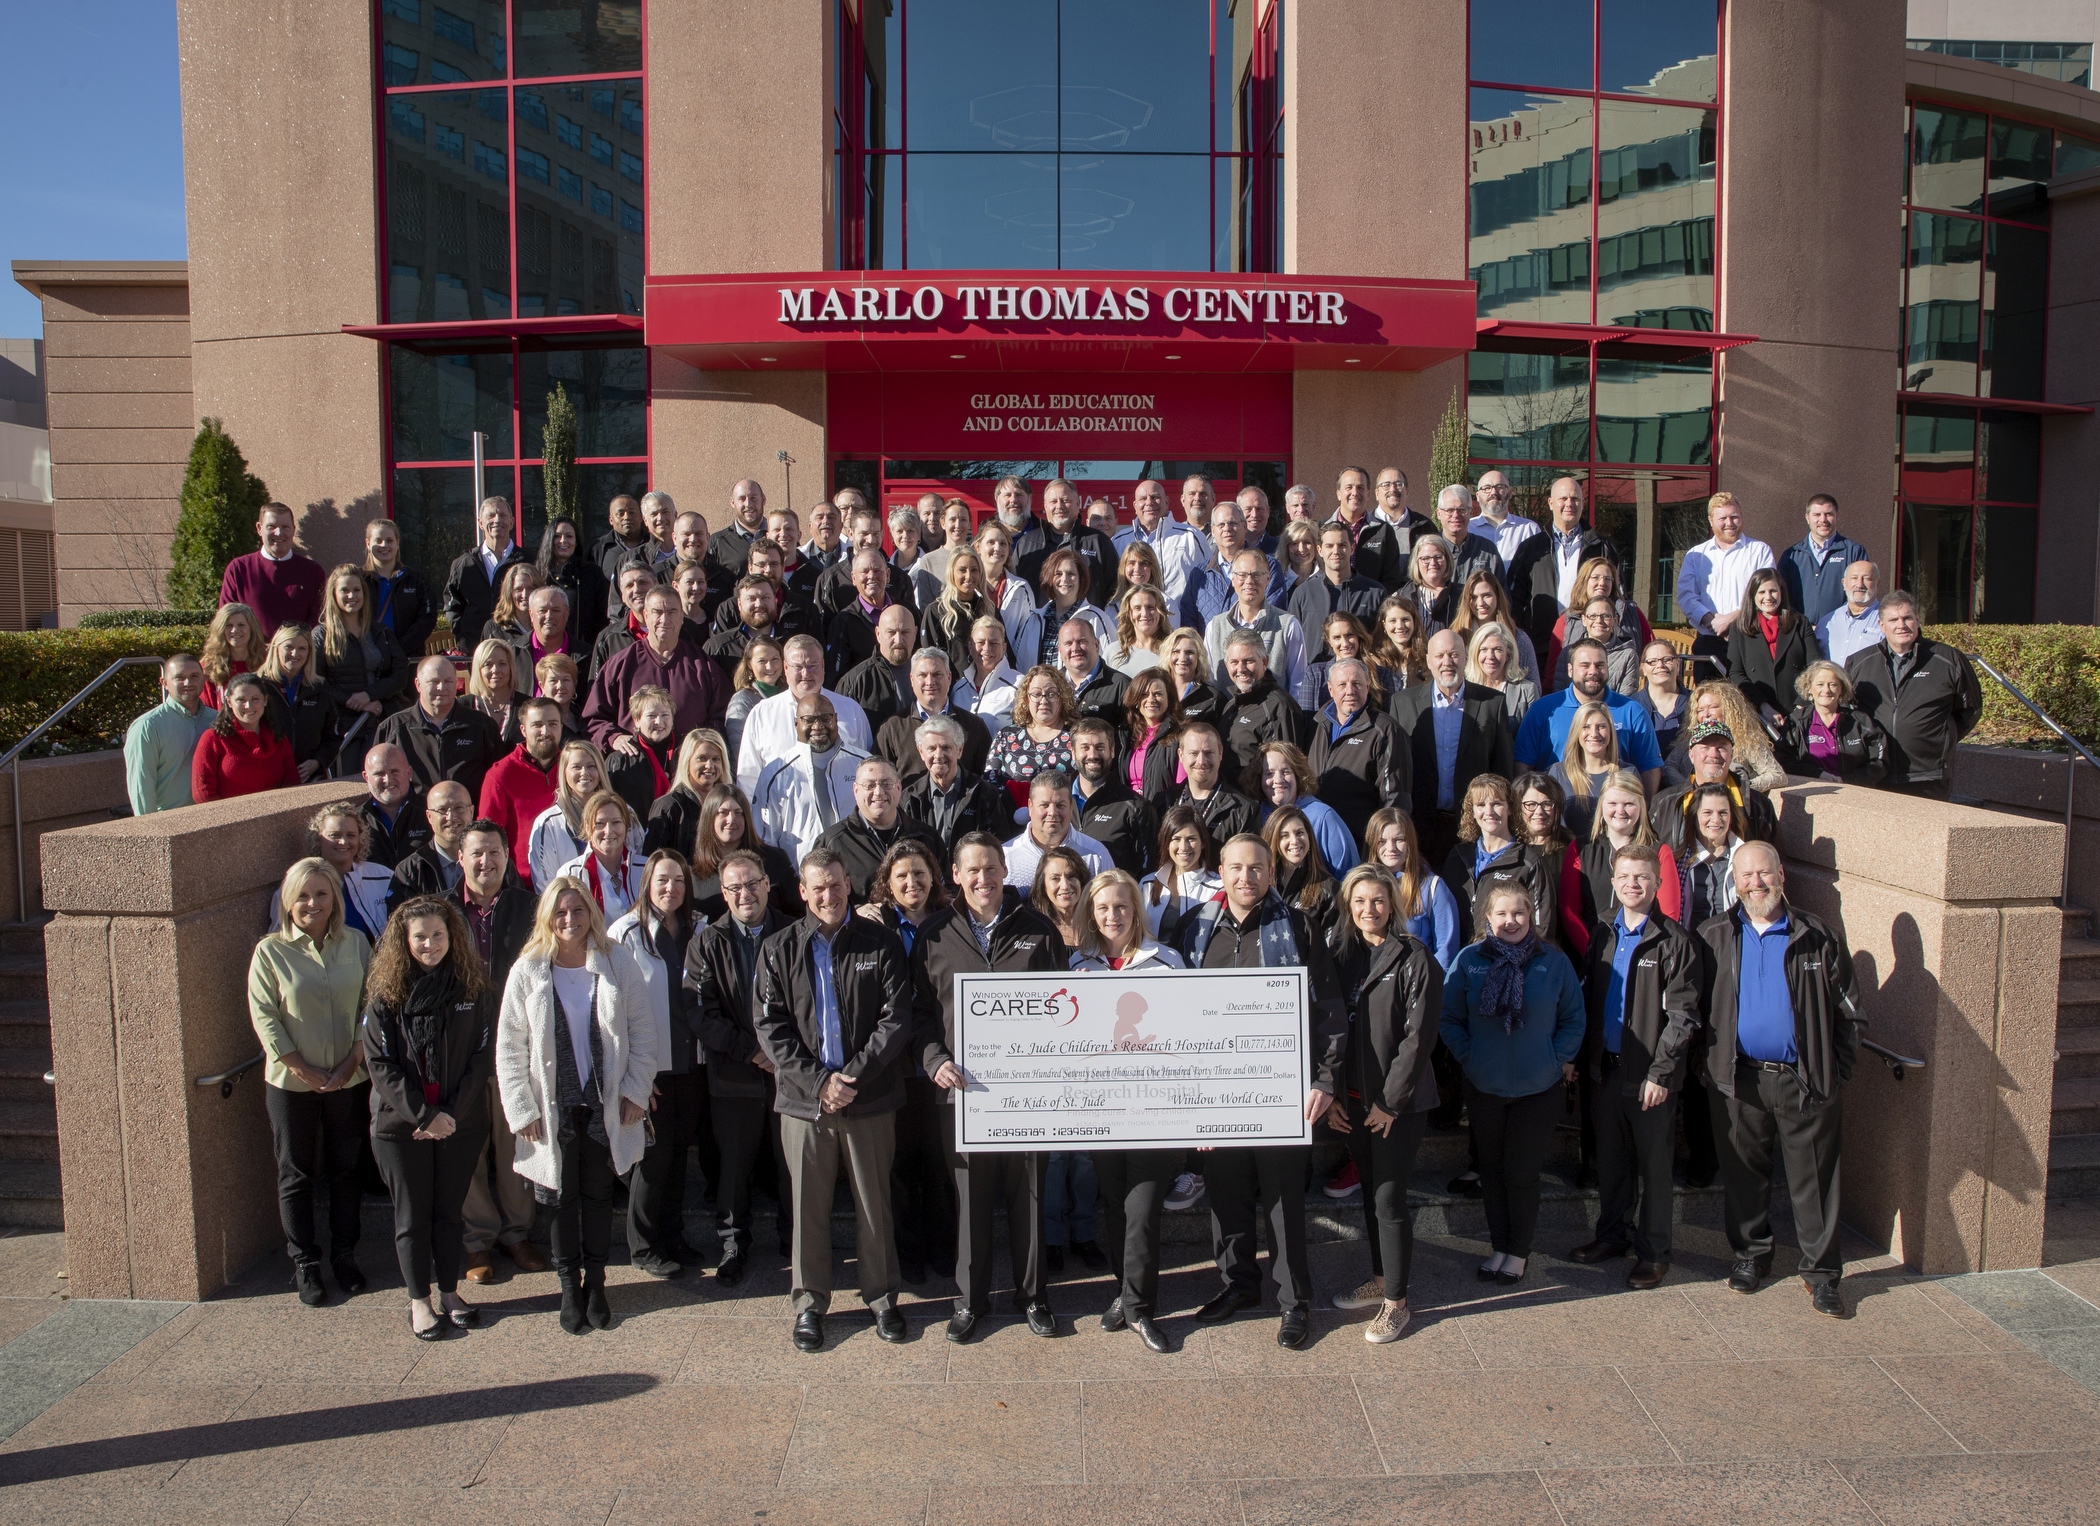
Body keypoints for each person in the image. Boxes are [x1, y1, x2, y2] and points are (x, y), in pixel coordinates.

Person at [1180, 834, 1346, 1349]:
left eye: (1256, 869)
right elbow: (1175, 1018)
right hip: (1216, 1097)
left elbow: (1330, 1009)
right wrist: (1186, 1107)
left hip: (1282, 1097)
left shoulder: (1296, 927)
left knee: (1281, 1203)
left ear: (1271, 874)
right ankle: (1238, 1287)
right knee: (1226, 1200)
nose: (1245, 878)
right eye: (1235, 868)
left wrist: (1326, 1079)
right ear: (1221, 872)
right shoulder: (1194, 930)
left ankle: (1294, 1300)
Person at [909, 832, 1068, 1342]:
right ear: (954, 876)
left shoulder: (1039, 932)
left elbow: (1067, 1009)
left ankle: (1033, 1295)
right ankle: (970, 1300)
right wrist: (934, 1059)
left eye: (992, 869)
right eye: (972, 870)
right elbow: (917, 1015)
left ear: (1006, 872)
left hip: (1027, 1094)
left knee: (1029, 1194)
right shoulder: (933, 935)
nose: (983, 879)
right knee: (970, 1199)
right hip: (962, 1093)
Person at [756, 849, 916, 1351]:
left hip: (868, 1098)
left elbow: (897, 1018)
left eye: (836, 885)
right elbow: (770, 1027)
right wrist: (818, 1082)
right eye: (817, 887)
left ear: (850, 885)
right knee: (808, 1207)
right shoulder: (778, 948)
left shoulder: (880, 941)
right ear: (802, 891)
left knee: (875, 1203)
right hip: (805, 1104)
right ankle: (809, 1303)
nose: (828, 895)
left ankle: (883, 1297)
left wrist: (851, 1077)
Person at [1697, 841, 1863, 1316]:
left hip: (1804, 1082)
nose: (1756, 883)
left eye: (1763, 874)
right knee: (1743, 1175)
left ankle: (1823, 1275)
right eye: (1746, 876)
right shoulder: (1713, 935)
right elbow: (1694, 1009)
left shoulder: (1818, 937)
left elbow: (1849, 1015)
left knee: (1815, 1181)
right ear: (1736, 881)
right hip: (1738, 1081)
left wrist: (1835, 1076)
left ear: (1781, 875)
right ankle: (1752, 1255)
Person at [497, 876, 657, 1333]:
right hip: (552, 1106)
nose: (570, 920)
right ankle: (570, 1286)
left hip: (603, 1102)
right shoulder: (528, 969)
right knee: (560, 1199)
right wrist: (521, 1108)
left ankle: (599, 1283)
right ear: (548, 917)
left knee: (598, 1195)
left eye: (578, 910)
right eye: (561, 912)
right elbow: (510, 1045)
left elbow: (643, 1031)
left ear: (591, 912)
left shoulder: (614, 960)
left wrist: (635, 1092)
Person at [1567, 844, 1702, 1288]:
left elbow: (1683, 1017)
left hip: (1649, 1078)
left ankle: (1654, 1252)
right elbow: (1587, 997)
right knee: (1611, 1163)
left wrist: (1661, 1073)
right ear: (1613, 879)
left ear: (1658, 883)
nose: (1632, 885)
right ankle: (1611, 1236)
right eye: (1624, 877)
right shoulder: (1603, 930)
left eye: (1642, 877)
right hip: (1603, 1070)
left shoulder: (1674, 941)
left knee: (1654, 1169)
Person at [1439, 879, 1585, 1286]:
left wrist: (1554, 1060)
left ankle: (1519, 1252)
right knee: (1492, 1171)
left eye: (1518, 913)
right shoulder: (1469, 960)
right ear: (1487, 917)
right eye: (1501, 913)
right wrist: (1469, 1057)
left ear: (1531, 915)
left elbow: (1574, 1018)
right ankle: (1499, 1247)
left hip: (1537, 1089)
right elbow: (1449, 1018)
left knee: (1521, 1172)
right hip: (1484, 1087)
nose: (1511, 921)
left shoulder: (1552, 962)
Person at [362, 895, 495, 1339]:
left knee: (449, 1214)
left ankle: (450, 1292)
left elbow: (481, 1056)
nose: (430, 944)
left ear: (451, 936)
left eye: (438, 935)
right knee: (412, 1216)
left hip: (458, 1125)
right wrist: (423, 1116)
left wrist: (448, 1116)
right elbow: (380, 1064)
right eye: (420, 937)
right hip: (402, 1129)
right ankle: (419, 1301)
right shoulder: (385, 994)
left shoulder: (470, 986)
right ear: (405, 940)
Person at [1070, 869, 1186, 1353]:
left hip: (1154, 1113)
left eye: (1121, 906)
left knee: (1141, 1210)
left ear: (1136, 910)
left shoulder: (1168, 963)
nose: (1112, 915)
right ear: (1091, 914)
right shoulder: (1078, 966)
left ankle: (1139, 1309)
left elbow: (1190, 1038)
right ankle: (1125, 1291)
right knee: (1116, 1206)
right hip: (1103, 1113)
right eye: (1103, 907)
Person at [250, 857, 372, 1305]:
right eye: (302, 895)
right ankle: (305, 1263)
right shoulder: (271, 951)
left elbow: (370, 1005)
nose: (312, 903)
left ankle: (345, 1255)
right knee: (296, 1172)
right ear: (287, 901)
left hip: (348, 1076)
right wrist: (301, 1067)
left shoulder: (357, 944)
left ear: (334, 898)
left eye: (321, 893)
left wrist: (350, 1062)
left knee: (346, 1169)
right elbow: (265, 1016)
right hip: (290, 1082)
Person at [1328, 864, 1442, 1342]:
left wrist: (1390, 1104)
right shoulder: (1342, 954)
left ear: (1392, 905)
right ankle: (1379, 1282)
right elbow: (1328, 1028)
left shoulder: (1415, 957)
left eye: (1377, 901)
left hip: (1398, 1105)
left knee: (1389, 1200)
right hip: (1352, 1102)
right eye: (1359, 902)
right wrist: (1332, 1093)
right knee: (1371, 1193)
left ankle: (1398, 1303)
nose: (1368, 910)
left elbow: (1418, 1041)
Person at [444, 818, 546, 1285]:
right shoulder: (440, 911)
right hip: (459, 1054)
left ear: (508, 856)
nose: (486, 862)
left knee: (517, 1145)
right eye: (477, 854)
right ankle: (477, 1241)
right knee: (468, 1149)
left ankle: (516, 1233)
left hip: (516, 1051)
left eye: (495, 853)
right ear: (460, 858)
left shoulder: (530, 909)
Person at [687, 848, 795, 1285]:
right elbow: (698, 1012)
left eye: (752, 883)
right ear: (723, 893)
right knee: (733, 1165)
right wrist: (750, 1050)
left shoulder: (794, 931)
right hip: (734, 1074)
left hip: (789, 1073)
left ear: (767, 883)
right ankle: (734, 1244)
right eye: (734, 887)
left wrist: (780, 1052)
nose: (745, 893)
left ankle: (796, 1238)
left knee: (792, 1162)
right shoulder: (707, 941)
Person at [853, 839, 956, 1285]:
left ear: (933, 876)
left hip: (938, 1059)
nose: (911, 882)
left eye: (919, 873)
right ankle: (908, 1252)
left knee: (939, 1164)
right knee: (900, 1166)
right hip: (895, 1066)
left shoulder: (952, 921)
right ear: (887, 884)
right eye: (901, 876)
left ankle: (944, 1249)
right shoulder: (877, 925)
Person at [609, 850, 709, 1279]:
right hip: (650, 1068)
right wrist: (633, 1075)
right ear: (647, 884)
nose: (671, 889)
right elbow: (612, 1012)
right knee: (652, 1158)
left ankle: (673, 1235)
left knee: (677, 1155)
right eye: (662, 881)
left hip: (692, 1062)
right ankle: (644, 1245)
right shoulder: (625, 934)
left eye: (679, 881)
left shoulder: (699, 929)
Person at [1390, 629, 1516, 867]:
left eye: (1454, 655)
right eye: (1440, 656)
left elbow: (1502, 771)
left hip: (1472, 827)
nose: (1447, 662)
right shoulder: (1402, 703)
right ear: (1428, 660)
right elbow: (1395, 769)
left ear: (1466, 658)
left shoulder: (1492, 703)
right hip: (1418, 824)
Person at [1844, 590, 1983, 799]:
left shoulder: (1948, 659)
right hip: (1876, 771)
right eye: (1893, 619)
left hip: (1928, 774)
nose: (1901, 624)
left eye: (1907, 617)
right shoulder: (1859, 662)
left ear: (1917, 620)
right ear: (1882, 626)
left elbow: (1970, 710)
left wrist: (1938, 737)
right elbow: (1849, 711)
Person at [584, 585, 730, 753]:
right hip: (636, 767)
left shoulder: (703, 666)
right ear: (646, 616)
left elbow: (721, 717)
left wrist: (700, 745)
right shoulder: (620, 664)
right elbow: (593, 719)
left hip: (687, 768)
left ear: (682, 616)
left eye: (672, 612)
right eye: (657, 612)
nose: (664, 619)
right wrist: (613, 737)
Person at [1514, 640, 1664, 791]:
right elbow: (1522, 764)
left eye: (1599, 665)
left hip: (1616, 809)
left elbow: (1650, 768)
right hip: (1557, 807)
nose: (1593, 671)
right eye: (1585, 665)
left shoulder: (1631, 711)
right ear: (1570, 670)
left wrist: (1645, 807)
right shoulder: (1544, 709)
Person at [734, 635, 873, 794]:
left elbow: (867, 768)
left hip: (844, 814)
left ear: (823, 666)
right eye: (798, 667)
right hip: (781, 815)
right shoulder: (762, 714)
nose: (806, 673)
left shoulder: (850, 710)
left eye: (813, 665)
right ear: (785, 668)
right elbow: (748, 779)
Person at [1441, 773, 1557, 945]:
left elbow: (1542, 928)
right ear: (1472, 810)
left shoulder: (1528, 862)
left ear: (1510, 808)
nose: (1489, 812)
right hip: (1463, 962)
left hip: (1512, 963)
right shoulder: (1457, 857)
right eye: (1481, 805)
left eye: (1497, 804)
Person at [753, 695, 871, 862]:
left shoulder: (863, 764)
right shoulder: (775, 774)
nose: (818, 726)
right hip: (799, 877)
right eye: (809, 720)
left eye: (825, 718)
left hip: (857, 873)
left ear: (836, 719)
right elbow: (765, 840)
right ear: (796, 723)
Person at [814, 757, 947, 902]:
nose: (878, 792)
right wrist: (854, 913)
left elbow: (947, 890)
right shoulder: (832, 842)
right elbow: (819, 899)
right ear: (856, 790)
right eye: (869, 785)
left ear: (898, 788)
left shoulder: (926, 836)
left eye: (886, 784)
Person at [1306, 657, 1408, 846]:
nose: (1350, 691)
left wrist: (1380, 845)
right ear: (1330, 689)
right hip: (1315, 838)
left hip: (1359, 842)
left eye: (1357, 684)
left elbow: (1394, 798)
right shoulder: (1316, 725)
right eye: (1342, 684)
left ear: (1367, 687)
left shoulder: (1384, 730)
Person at [1676, 491, 1776, 680]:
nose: (1729, 523)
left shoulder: (1759, 551)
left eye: (1734, 517)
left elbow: (1767, 596)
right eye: (1723, 518)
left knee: (1748, 702)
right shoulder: (1695, 555)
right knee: (1710, 703)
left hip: (1750, 640)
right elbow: (1687, 597)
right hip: (1708, 642)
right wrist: (1712, 622)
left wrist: (1731, 619)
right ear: (1711, 520)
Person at [376, 656, 505, 798]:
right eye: (434, 681)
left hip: (470, 815)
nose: (442, 687)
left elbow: (499, 779)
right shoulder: (394, 728)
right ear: (418, 684)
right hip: (416, 817)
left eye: (448, 681)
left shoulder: (482, 726)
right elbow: (379, 780)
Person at [314, 562, 412, 742]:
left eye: (357, 590)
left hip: (381, 716)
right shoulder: (321, 635)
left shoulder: (380, 632)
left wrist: (370, 695)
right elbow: (317, 681)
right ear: (334, 594)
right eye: (344, 590)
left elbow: (401, 672)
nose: (352, 595)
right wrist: (355, 702)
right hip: (342, 723)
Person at [1651, 718, 1781, 848]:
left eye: (1721, 747)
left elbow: (1774, 858)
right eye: (1705, 747)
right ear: (1691, 755)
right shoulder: (1664, 803)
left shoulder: (1758, 805)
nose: (1713, 754)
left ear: (1731, 754)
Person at [1206, 552, 1312, 709]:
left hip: (1272, 721)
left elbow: (1298, 683)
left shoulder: (1287, 625)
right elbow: (1208, 680)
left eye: (1257, 575)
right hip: (1225, 722)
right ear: (1233, 579)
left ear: (1267, 579)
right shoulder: (1215, 626)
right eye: (1242, 575)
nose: (1249, 581)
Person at [477, 697, 566, 883]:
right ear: (523, 730)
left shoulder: (574, 768)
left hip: (572, 878)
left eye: (552, 724)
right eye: (537, 725)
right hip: (524, 884)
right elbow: (488, 836)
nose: (546, 731)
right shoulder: (501, 774)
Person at [900, 715, 1012, 860]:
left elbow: (998, 845)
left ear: (959, 750)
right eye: (931, 748)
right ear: (921, 752)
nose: (938, 755)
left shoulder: (984, 793)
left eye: (946, 747)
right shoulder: (909, 798)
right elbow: (903, 850)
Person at [875, 648, 993, 783]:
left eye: (937, 674)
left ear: (949, 678)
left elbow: (986, 780)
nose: (930, 682)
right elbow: (881, 780)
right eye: (922, 675)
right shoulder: (892, 728)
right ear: (912, 679)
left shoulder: (973, 726)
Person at [1364, 807, 1462, 971]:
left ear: (1410, 841)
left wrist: (1430, 988)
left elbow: (1446, 954)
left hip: (1417, 985)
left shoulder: (1432, 887)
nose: (1391, 848)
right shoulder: (1360, 887)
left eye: (1399, 839)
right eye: (1382, 841)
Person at [1580, 769, 1682, 925]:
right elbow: (1570, 911)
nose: (1620, 811)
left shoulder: (1659, 851)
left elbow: (1669, 913)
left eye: (1629, 804)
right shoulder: (1581, 849)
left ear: (1641, 806)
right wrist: (1593, 947)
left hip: (1645, 946)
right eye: (1612, 803)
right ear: (1602, 806)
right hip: (1590, 946)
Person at [1726, 566, 1822, 731]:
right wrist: (1762, 705)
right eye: (1761, 592)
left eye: (1773, 591)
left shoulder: (1800, 623)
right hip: (1757, 714)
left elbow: (1815, 666)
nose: (1768, 597)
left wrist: (1801, 706)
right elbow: (1736, 673)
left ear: (1782, 592)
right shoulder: (1739, 628)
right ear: (1753, 595)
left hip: (1798, 712)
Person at [687, 781, 800, 921]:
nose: (731, 819)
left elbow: (799, 914)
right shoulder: (692, 870)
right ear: (709, 817)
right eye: (723, 813)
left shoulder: (774, 860)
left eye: (738, 813)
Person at [1250, 739, 1357, 878]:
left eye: (1286, 771)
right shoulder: (1254, 816)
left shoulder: (1322, 816)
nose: (1278, 780)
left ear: (1298, 775)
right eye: (1269, 773)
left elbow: (1349, 875)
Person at [126, 653, 216, 814]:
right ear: (164, 683)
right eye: (179, 677)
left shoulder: (217, 719)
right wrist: (150, 829)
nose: (188, 682)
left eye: (194, 676)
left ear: (204, 678)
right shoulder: (148, 726)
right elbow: (141, 786)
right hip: (171, 819)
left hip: (213, 816)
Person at [1215, 629, 1310, 781]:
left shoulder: (1279, 707)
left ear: (1264, 661)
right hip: (1228, 801)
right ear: (1227, 666)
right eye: (1234, 662)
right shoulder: (1231, 704)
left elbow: (1285, 773)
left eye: (1248, 661)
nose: (1241, 669)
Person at [220, 501, 326, 632]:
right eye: (271, 527)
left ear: (294, 529)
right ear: (259, 528)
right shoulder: (238, 569)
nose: (279, 533)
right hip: (252, 651)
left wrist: (288, 643)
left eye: (285, 527)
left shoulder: (313, 571)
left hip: (296, 651)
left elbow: (318, 618)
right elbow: (227, 617)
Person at [191, 672, 299, 802]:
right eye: (241, 700)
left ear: (265, 700)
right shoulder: (213, 739)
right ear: (229, 702)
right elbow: (202, 793)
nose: (248, 706)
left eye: (255, 699)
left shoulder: (278, 738)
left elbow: (292, 783)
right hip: (228, 819)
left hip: (275, 817)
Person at [301, 800, 398, 944]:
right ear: (318, 839)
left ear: (360, 838)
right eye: (335, 835)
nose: (343, 842)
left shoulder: (384, 876)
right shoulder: (300, 883)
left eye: (351, 835)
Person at [1546, 556, 1655, 679]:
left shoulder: (1631, 612)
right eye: (1596, 577)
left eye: (1607, 579)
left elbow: (1652, 651)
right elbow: (1553, 670)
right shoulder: (1567, 620)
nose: (1602, 583)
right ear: (1584, 581)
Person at [1002, 769, 1112, 890]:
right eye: (1044, 805)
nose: (1053, 812)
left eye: (1060, 805)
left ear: (1071, 806)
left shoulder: (1096, 855)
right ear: (1030, 806)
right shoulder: (1005, 857)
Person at [985, 665, 1077, 803]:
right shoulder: (1007, 736)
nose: (1044, 701)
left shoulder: (1075, 737)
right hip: (1012, 819)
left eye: (1051, 694)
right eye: (1036, 694)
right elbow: (990, 784)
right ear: (1026, 698)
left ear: (1062, 697)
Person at [443, 496, 528, 645]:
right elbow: (452, 606)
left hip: (519, 648)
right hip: (475, 649)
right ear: (480, 523)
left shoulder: (527, 561)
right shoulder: (463, 564)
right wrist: (462, 636)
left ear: (512, 522)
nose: (497, 520)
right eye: (491, 516)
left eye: (502, 515)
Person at [1785, 660, 1887, 785]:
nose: (1826, 690)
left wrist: (1849, 781)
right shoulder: (1796, 722)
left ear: (1841, 688)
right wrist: (1818, 775)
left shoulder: (1861, 721)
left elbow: (1880, 762)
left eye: (1833, 684)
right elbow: (1785, 760)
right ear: (1809, 688)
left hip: (1855, 792)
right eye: (1820, 684)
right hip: (1812, 791)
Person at [1779, 493, 1870, 631]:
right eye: (1817, 515)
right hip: (1800, 632)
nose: (1823, 520)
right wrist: (1802, 624)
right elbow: (1783, 596)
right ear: (1807, 518)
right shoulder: (1792, 555)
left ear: (1837, 516)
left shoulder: (1854, 552)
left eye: (1828, 514)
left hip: (1841, 631)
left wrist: (1837, 623)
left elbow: (1860, 592)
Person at [557, 788, 650, 922]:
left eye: (616, 822)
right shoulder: (571, 874)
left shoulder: (646, 869)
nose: (608, 831)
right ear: (588, 828)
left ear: (626, 826)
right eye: (599, 824)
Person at [1113, 476, 1209, 603]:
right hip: (1134, 619)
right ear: (1135, 506)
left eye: (1155, 497)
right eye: (1143, 499)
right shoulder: (1119, 541)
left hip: (1181, 621)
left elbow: (1209, 583)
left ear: (1167, 502)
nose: (1149, 502)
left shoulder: (1191, 537)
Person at [641, 727, 733, 856]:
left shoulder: (732, 804)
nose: (709, 765)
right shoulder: (668, 806)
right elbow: (652, 861)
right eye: (702, 758)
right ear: (687, 761)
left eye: (716, 759)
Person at [1141, 805, 1222, 946]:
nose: (1184, 847)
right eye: (1176, 839)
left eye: (1191, 839)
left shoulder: (1220, 887)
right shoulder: (1147, 884)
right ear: (1166, 843)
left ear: (1202, 842)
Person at [1170, 721, 1259, 848]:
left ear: (1220, 753)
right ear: (1181, 755)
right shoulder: (1166, 802)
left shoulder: (1244, 810)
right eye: (1194, 753)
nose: (1201, 761)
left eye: (1208, 753)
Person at [390, 779, 474, 907]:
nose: (451, 817)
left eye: (459, 808)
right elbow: (402, 923)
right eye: (442, 810)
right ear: (429, 816)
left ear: (471, 812)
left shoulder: (493, 860)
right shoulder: (409, 871)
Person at [364, 517, 439, 660]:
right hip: (369, 659)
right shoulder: (359, 581)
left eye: (390, 540)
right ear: (368, 544)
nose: (384, 544)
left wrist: (399, 648)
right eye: (378, 540)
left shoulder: (416, 580)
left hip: (408, 659)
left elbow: (427, 618)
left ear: (397, 543)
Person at [1322, 466, 1407, 592]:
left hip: (1369, 607)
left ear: (1368, 494)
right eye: (1349, 487)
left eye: (1360, 488)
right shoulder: (1321, 528)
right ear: (1338, 493)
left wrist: (1373, 601)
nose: (1355, 493)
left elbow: (1391, 579)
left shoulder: (1383, 531)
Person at [1265, 805, 1339, 946]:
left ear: (1309, 836)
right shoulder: (1263, 886)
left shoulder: (1329, 889)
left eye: (1299, 833)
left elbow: (1332, 948)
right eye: (1284, 835)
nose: (1294, 841)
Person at [1448, 569, 1541, 682]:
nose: (1480, 603)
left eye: (1486, 595)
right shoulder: (1457, 636)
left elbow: (1533, 683)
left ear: (1497, 596)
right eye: (1473, 597)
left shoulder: (1519, 638)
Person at [1550, 699, 1621, 845]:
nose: (1594, 734)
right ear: (1577, 731)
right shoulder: (1558, 773)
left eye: (1601, 726)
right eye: (1586, 727)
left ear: (1610, 731)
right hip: (1569, 857)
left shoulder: (1626, 773)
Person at [1678, 781, 1746, 931]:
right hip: (1690, 946)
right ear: (1694, 816)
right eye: (1707, 812)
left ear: (1731, 817)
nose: (1716, 820)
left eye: (1723, 813)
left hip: (1732, 945)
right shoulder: (1678, 862)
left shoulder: (1746, 859)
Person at [535, 514, 610, 649]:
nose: (563, 541)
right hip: (546, 652)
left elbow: (602, 617)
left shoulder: (592, 573)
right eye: (557, 536)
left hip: (584, 652)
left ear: (576, 541)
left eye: (569, 536)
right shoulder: (539, 575)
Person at [606, 687, 679, 819]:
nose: (659, 721)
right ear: (637, 720)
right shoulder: (620, 760)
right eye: (651, 715)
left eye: (665, 715)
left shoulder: (687, 752)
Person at [921, 546, 995, 675]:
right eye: (962, 570)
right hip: (954, 689)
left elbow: (1004, 653)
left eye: (974, 570)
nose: (969, 576)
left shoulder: (988, 609)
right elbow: (929, 659)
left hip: (990, 688)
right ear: (951, 573)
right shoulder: (936, 611)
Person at [359, 741, 431, 869]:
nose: (387, 780)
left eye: (394, 772)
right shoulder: (357, 820)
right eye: (379, 774)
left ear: (409, 773)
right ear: (366, 777)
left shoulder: (431, 811)